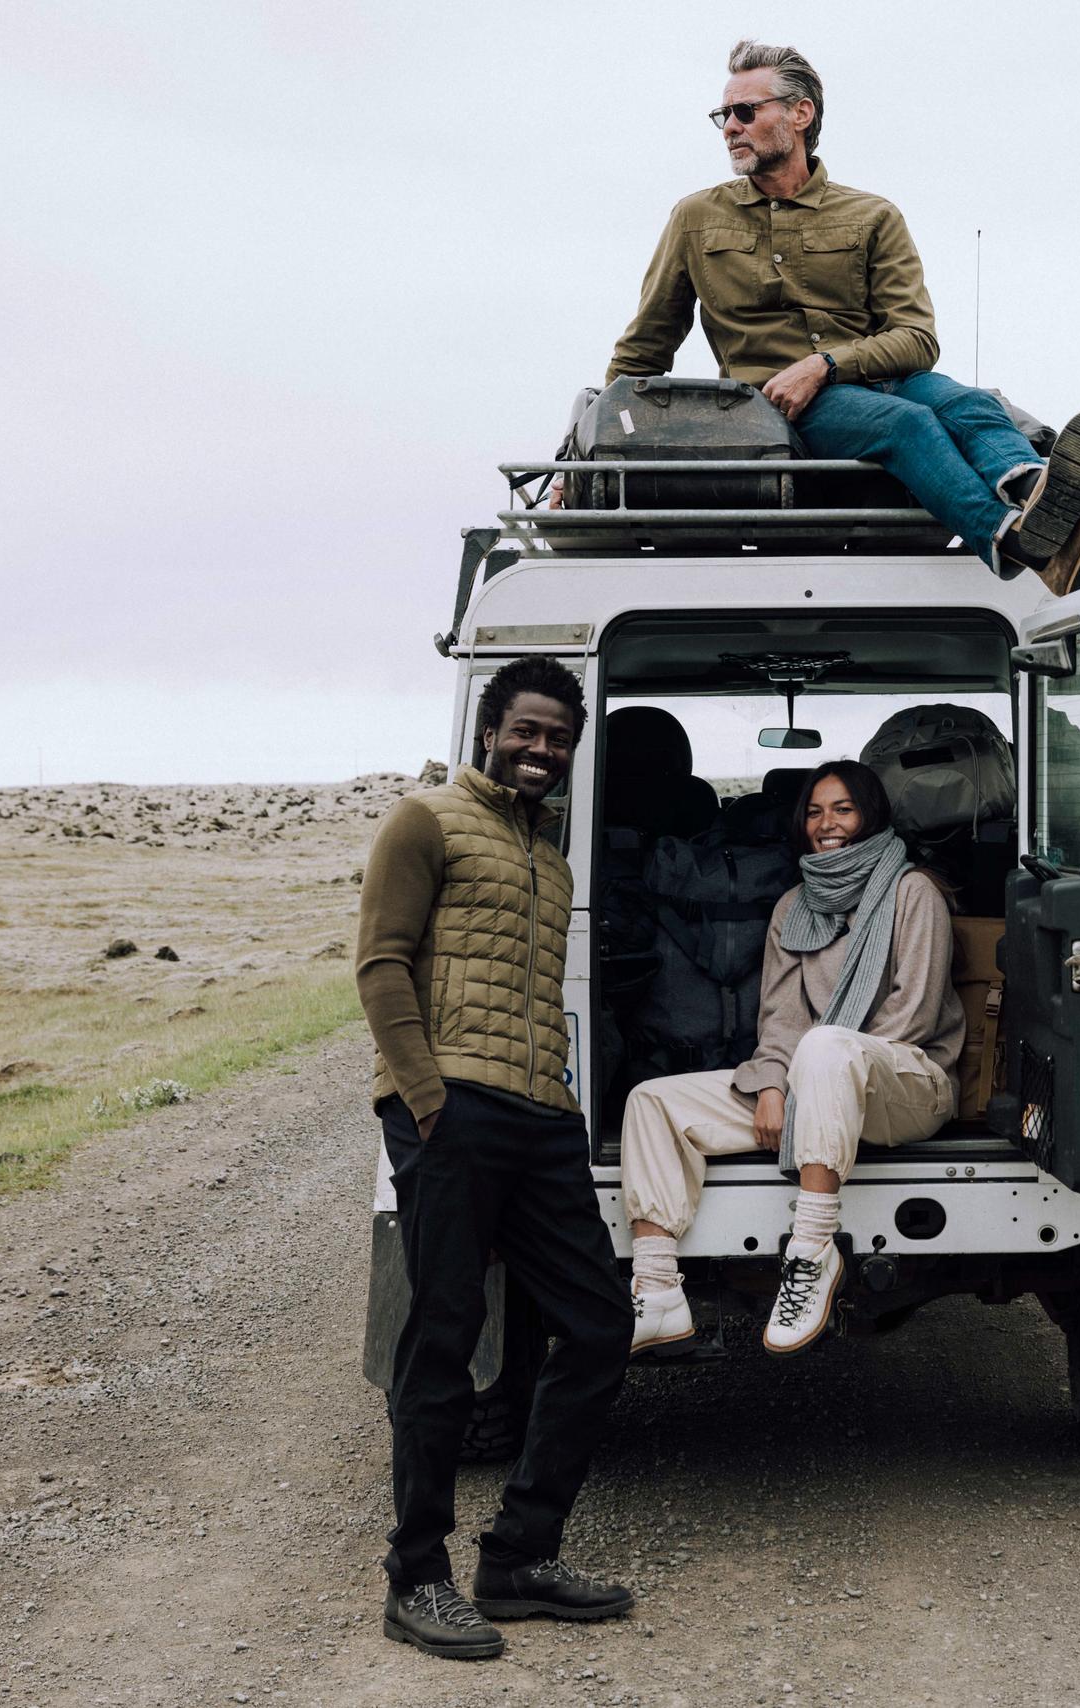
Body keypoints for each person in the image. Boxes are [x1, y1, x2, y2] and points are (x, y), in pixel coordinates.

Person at [606, 38, 1080, 596]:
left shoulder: (872, 214)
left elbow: (917, 338)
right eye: (723, 115)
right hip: (777, 405)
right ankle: (1013, 544)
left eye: (745, 111)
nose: (730, 127)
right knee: (907, 424)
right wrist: (578, 454)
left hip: (886, 381)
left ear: (800, 114)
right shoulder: (696, 218)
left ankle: (1037, 496)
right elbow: (646, 346)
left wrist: (827, 362)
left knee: (967, 402)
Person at [354, 655, 635, 1660]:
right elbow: (381, 962)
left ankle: (518, 1556)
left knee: (601, 1324)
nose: (543, 749)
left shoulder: (550, 855)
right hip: (451, 1111)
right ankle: (416, 1578)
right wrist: (427, 1101)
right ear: (489, 729)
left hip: (539, 1113)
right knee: (444, 1338)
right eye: (527, 730)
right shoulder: (424, 820)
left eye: (559, 737)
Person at [620, 761, 964, 1357]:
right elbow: (779, 1018)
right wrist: (775, 1087)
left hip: (906, 1083)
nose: (826, 824)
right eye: (814, 811)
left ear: (871, 816)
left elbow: (914, 1020)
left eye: (843, 809)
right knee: (653, 1101)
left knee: (826, 1045)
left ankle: (810, 1252)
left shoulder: (913, 892)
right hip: (816, 1086)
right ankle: (657, 1293)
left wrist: (814, 1076)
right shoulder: (792, 907)